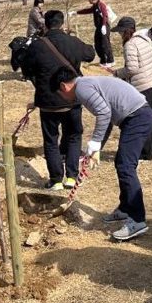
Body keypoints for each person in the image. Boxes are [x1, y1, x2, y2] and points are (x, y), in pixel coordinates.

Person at [51, 67, 152, 241]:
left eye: (60, 94)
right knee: (121, 164)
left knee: (125, 166)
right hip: (137, 116)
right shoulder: (86, 85)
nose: (64, 99)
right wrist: (96, 147)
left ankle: (137, 220)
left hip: (138, 117)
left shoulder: (82, 88)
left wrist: (95, 142)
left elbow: (104, 113)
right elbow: (106, 116)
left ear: (63, 86)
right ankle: (125, 208)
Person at [20, 10, 95, 190]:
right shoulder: (72, 42)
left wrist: (37, 82)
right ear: (62, 24)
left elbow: (25, 67)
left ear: (45, 24)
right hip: (72, 98)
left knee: (51, 140)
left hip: (48, 102)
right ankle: (71, 176)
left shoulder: (37, 46)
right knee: (74, 136)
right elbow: (90, 54)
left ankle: (55, 179)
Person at [112, 17, 152, 159]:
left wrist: (117, 73)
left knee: (143, 119)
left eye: (120, 32)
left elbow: (132, 68)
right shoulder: (144, 38)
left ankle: (146, 152)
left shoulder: (129, 45)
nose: (119, 35)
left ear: (126, 31)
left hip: (143, 87)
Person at [76, 0, 114, 68]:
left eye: (89, 0)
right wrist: (76, 12)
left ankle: (111, 61)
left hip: (104, 26)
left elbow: (105, 15)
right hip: (98, 27)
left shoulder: (101, 5)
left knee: (105, 44)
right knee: (97, 44)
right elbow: (88, 10)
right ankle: (103, 60)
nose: (88, 1)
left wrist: (103, 25)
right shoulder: (95, 6)